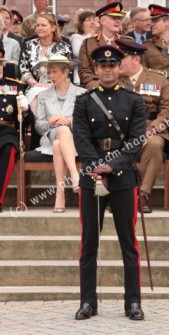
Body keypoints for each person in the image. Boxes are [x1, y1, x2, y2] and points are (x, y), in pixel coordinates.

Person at [73, 45, 146, 320]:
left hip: (123, 175)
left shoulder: (134, 101)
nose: (107, 69)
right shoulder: (85, 101)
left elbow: (136, 140)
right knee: (89, 242)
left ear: (120, 68)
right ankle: (88, 302)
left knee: (128, 241)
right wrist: (96, 168)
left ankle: (133, 302)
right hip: (91, 178)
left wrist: (111, 166)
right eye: (103, 66)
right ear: (95, 69)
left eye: (112, 65)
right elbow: (81, 139)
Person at [117, 38, 169, 213]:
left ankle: (142, 195)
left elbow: (166, 110)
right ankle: (122, 194)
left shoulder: (157, 79)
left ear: (136, 59)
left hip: (151, 126)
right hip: (122, 129)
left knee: (154, 144)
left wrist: (153, 128)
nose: (118, 62)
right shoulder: (114, 80)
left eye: (122, 57)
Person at [35, 55, 85, 213]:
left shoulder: (82, 93)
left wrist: (70, 122)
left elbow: (86, 123)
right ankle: (75, 176)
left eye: (54, 71)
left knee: (59, 144)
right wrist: (51, 122)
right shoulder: (43, 95)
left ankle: (60, 193)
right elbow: (38, 125)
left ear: (66, 72)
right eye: (49, 72)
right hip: (49, 138)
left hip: (73, 139)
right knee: (59, 133)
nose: (50, 75)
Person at [0, 40, 32, 213]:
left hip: (8, 130)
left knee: (9, 149)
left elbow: (27, 121)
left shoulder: (16, 86)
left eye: (0, 64)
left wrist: (25, 110)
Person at [19, 12, 72, 114]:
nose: (39, 28)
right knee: (36, 93)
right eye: (37, 25)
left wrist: (52, 84)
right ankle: (36, 126)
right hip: (35, 86)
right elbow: (24, 70)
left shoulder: (64, 47)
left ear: (53, 28)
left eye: (43, 25)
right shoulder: (29, 45)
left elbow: (66, 72)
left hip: (58, 87)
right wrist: (36, 84)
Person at [78, 2, 124, 89]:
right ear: (102, 21)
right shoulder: (88, 43)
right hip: (96, 88)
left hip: (122, 88)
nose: (118, 21)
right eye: (114, 18)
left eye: (119, 18)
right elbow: (84, 71)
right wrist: (101, 84)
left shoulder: (127, 42)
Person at [70, 9, 98, 85]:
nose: (92, 22)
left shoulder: (98, 38)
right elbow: (79, 53)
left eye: (93, 20)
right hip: (81, 78)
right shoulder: (76, 37)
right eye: (88, 20)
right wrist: (91, 35)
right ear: (81, 24)